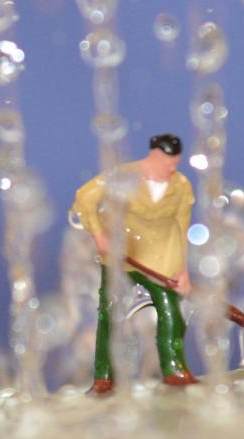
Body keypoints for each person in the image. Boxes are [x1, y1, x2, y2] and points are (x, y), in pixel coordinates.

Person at [71, 133, 199, 395]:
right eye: (167, 163)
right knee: (110, 313)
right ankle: (104, 376)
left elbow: (181, 227)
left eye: (175, 164)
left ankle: (174, 369)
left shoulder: (181, 186)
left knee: (172, 313)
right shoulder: (124, 177)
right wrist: (99, 236)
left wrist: (182, 271)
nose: (171, 169)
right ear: (154, 155)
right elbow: (84, 197)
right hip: (121, 258)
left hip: (161, 260)